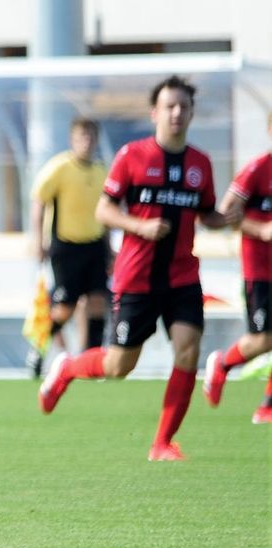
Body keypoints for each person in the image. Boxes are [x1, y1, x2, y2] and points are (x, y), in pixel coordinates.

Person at [38, 75, 237, 461]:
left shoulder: (201, 163)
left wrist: (226, 217)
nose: (177, 112)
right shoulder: (132, 156)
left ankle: (162, 443)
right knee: (118, 365)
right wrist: (140, 225)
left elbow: (206, 213)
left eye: (184, 106)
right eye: (170, 106)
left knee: (187, 350)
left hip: (182, 276)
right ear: (155, 112)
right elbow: (104, 210)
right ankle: (66, 370)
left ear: (192, 113)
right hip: (137, 278)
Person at [202, 112, 272, 421]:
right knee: (263, 339)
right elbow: (225, 212)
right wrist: (261, 230)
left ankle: (268, 406)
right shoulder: (258, 169)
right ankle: (223, 365)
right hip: (260, 270)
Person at [27, 118, 110, 377]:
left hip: (95, 246)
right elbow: (38, 201)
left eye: (91, 137)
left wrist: (109, 249)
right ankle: (39, 347)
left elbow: (106, 211)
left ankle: (91, 361)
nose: (86, 142)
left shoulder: (101, 172)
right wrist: (38, 240)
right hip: (66, 246)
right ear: (72, 140)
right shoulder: (60, 167)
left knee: (98, 301)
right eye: (81, 137)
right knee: (65, 306)